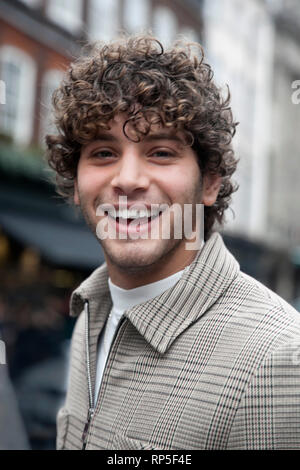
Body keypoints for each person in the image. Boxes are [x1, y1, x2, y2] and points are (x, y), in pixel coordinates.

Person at [46, 35, 300, 450]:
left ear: (210, 184)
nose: (127, 180)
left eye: (161, 152)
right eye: (104, 153)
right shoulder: (90, 316)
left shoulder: (277, 360)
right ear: (76, 184)